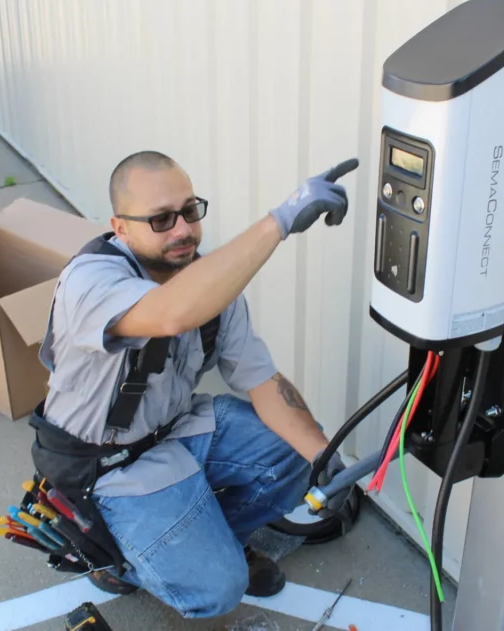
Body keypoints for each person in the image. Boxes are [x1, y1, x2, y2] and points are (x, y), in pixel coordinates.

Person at [33, 150, 358, 619]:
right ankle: (113, 559)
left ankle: (215, 538)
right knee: (220, 590)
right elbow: (171, 312)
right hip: (105, 466)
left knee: (295, 452)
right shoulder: (90, 279)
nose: (182, 228)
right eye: (161, 219)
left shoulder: (211, 283)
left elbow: (263, 381)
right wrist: (281, 220)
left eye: (188, 210)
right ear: (120, 227)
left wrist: (324, 458)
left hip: (174, 429)